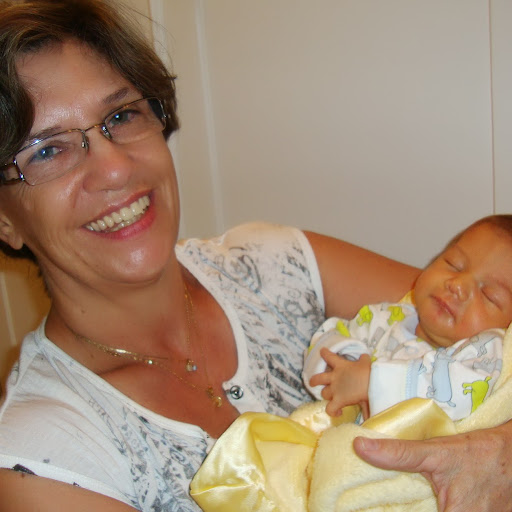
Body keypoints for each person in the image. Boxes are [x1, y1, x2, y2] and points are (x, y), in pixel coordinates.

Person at [0, 2, 508, 512]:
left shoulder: (271, 265)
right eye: (47, 151)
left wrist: (498, 450)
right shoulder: (47, 461)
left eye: (121, 115)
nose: (114, 168)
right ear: (5, 221)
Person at [304, 215, 512, 421]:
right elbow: (326, 340)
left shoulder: (487, 352)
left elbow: (455, 396)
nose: (457, 284)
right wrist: (340, 367)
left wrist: (372, 383)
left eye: (489, 296)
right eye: (453, 264)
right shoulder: (385, 317)